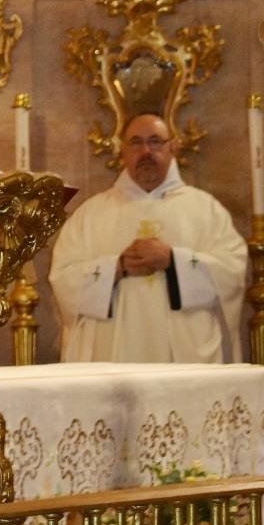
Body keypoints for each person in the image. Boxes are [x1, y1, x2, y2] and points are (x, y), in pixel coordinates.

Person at [49, 113, 247, 363]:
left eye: (156, 142)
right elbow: (64, 280)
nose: (146, 151)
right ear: (123, 151)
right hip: (112, 354)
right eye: (136, 142)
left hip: (185, 358)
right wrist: (117, 267)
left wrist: (174, 261)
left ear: (172, 147)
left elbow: (232, 272)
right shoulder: (90, 214)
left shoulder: (206, 210)